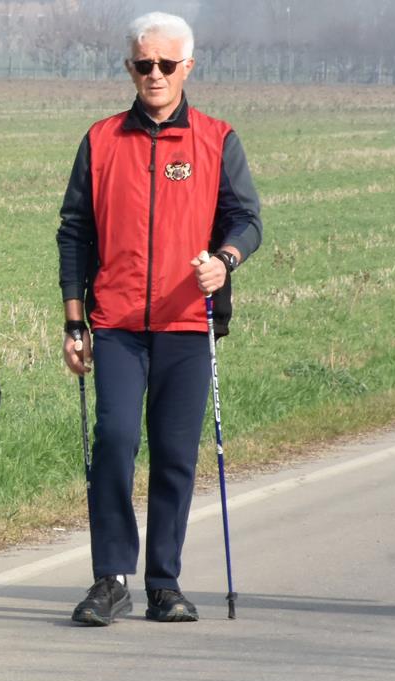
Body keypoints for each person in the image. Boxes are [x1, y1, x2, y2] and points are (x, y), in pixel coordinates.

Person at [57, 11, 261, 626]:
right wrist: (74, 323)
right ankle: (110, 578)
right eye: (144, 64)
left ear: (187, 67)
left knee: (174, 455)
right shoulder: (100, 141)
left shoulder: (217, 139)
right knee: (115, 441)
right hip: (117, 324)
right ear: (130, 67)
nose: (155, 74)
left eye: (166, 64)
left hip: (187, 324)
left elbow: (246, 221)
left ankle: (164, 584)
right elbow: (74, 233)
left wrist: (225, 261)